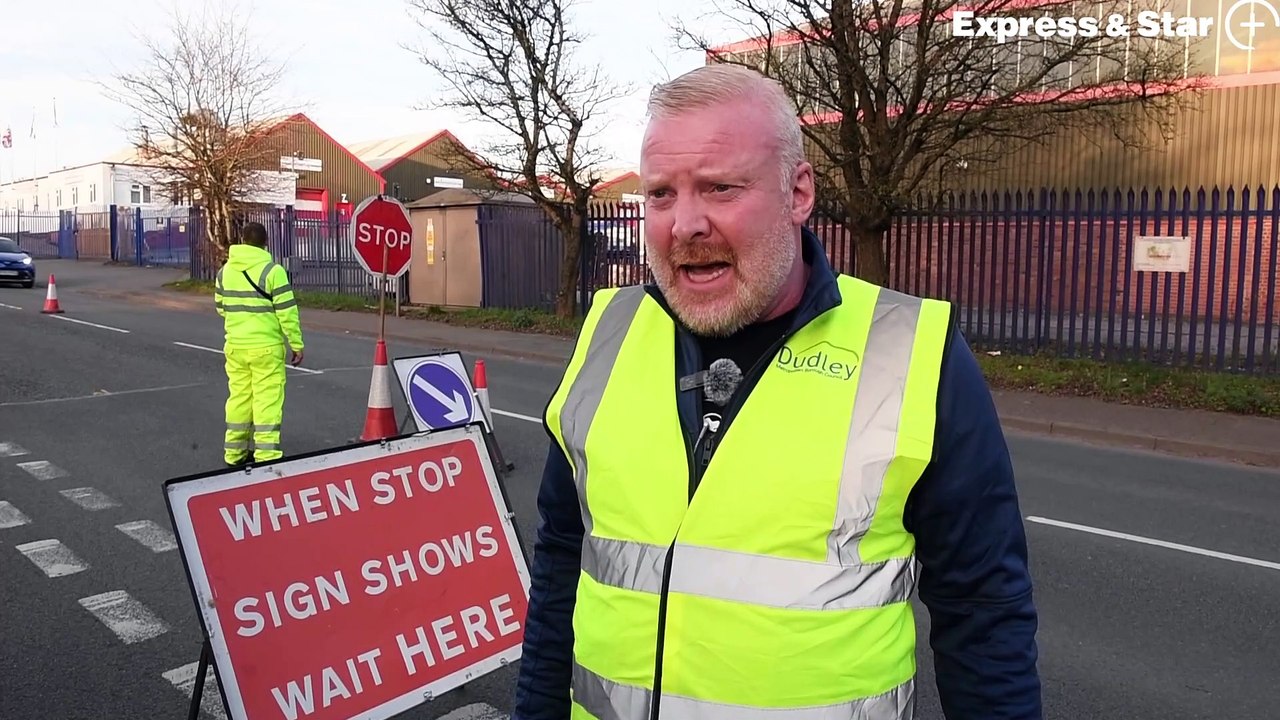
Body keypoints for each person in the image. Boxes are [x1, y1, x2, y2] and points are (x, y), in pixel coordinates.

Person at [513, 64, 1042, 720]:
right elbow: (565, 558)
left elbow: (984, 614)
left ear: (798, 193)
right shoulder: (608, 334)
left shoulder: (913, 353)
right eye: (660, 195)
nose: (685, 225)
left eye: (719, 187)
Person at [214, 221, 304, 467]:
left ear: (242, 241)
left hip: (235, 346)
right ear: (266, 243)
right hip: (266, 348)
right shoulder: (273, 271)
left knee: (239, 398)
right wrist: (296, 344)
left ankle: (234, 454)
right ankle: (266, 455)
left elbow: (221, 308)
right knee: (266, 400)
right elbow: (287, 312)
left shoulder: (225, 272)